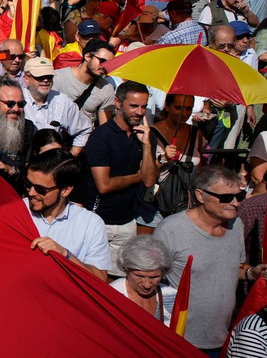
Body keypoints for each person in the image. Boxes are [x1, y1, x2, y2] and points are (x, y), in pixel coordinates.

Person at [156, 166, 264, 358]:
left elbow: (234, 268)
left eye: (239, 196)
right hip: (179, 340)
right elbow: (150, 281)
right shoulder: (170, 230)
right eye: (225, 198)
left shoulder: (236, 225)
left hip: (222, 340)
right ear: (200, 195)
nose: (235, 203)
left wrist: (250, 273)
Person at [84, 81, 160, 274]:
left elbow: (149, 180)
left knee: (120, 279)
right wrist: (138, 176)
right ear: (118, 103)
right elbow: (104, 185)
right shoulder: (101, 137)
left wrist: (148, 146)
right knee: (97, 280)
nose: (139, 112)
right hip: (99, 221)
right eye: (134, 106)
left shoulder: (146, 136)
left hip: (127, 221)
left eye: (144, 106)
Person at [24, 149, 110, 281]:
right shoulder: (17, 210)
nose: (31, 193)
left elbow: (100, 279)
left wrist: (65, 254)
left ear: (65, 190)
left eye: (41, 189)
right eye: (28, 185)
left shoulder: (91, 224)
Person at [21, 56, 92, 154]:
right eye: (40, 77)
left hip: (51, 164)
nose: (45, 80)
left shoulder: (63, 101)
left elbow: (84, 130)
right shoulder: (17, 100)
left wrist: (70, 157)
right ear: (26, 79)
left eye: (49, 77)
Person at [110, 235, 177, 326]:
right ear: (126, 269)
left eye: (154, 277)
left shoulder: (172, 296)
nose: (147, 285)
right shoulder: (112, 296)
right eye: (139, 276)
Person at [53, 39, 116, 125]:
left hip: (86, 136)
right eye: (103, 61)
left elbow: (105, 127)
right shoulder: (58, 78)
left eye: (109, 64)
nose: (105, 66)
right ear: (88, 57)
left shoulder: (106, 88)